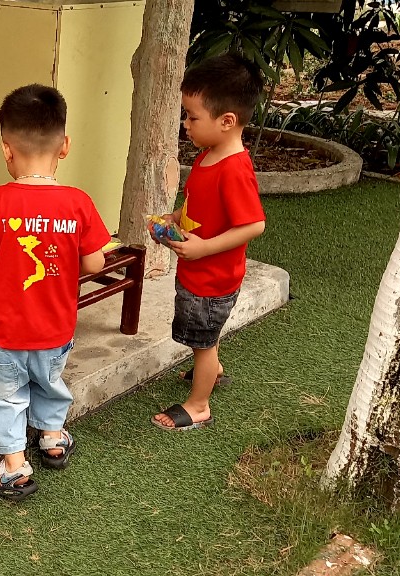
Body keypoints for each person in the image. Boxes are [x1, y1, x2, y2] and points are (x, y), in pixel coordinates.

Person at [0, 84, 110, 501]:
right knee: (49, 380)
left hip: (4, 330)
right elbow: (95, 264)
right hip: (56, 327)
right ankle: (52, 437)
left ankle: (14, 467)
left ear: (6, 149)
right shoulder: (79, 203)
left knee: (2, 394)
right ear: (65, 146)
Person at [149, 53, 267, 432]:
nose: (185, 124)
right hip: (197, 274)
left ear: (226, 121)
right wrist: (174, 220)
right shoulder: (208, 156)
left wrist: (204, 248)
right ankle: (210, 369)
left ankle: (199, 404)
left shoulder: (234, 170)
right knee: (200, 335)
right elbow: (198, 203)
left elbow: (254, 225)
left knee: (203, 342)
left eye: (192, 117)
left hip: (213, 281)